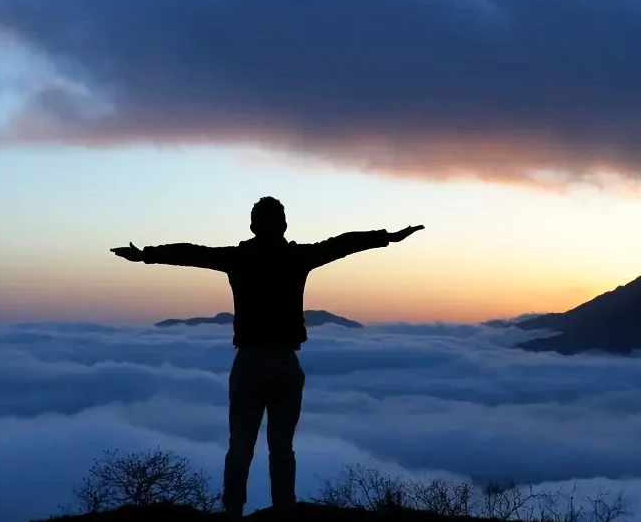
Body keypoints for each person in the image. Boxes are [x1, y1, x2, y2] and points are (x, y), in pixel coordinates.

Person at [111, 196, 423, 516]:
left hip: (249, 363)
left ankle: (233, 512)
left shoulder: (239, 258)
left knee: (240, 447)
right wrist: (387, 237)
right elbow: (341, 244)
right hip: (285, 363)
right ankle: (283, 510)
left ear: (252, 225)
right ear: (284, 225)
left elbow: (192, 253)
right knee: (282, 447)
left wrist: (145, 255)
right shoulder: (297, 257)